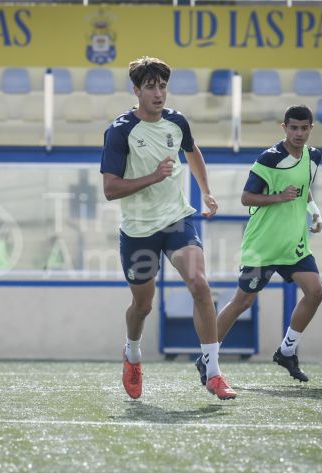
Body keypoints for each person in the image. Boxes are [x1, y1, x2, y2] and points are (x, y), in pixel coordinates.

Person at [100, 56, 236, 400]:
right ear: (137, 91)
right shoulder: (120, 131)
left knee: (200, 284)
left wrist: (206, 192)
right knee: (143, 306)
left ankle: (214, 372)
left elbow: (193, 152)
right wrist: (153, 177)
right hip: (139, 231)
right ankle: (132, 354)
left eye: (162, 86)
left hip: (176, 219)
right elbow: (110, 189)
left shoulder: (177, 122)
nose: (158, 93)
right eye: (150, 86)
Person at [196, 105, 322, 384]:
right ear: (284, 127)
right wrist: (279, 197)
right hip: (263, 245)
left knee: (315, 292)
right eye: (293, 128)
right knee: (242, 302)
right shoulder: (269, 159)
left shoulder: (314, 157)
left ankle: (286, 351)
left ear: (311, 129)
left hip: (294, 244)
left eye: (304, 128)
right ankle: (207, 356)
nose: (299, 133)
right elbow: (246, 197)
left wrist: (313, 210)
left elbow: (303, 188)